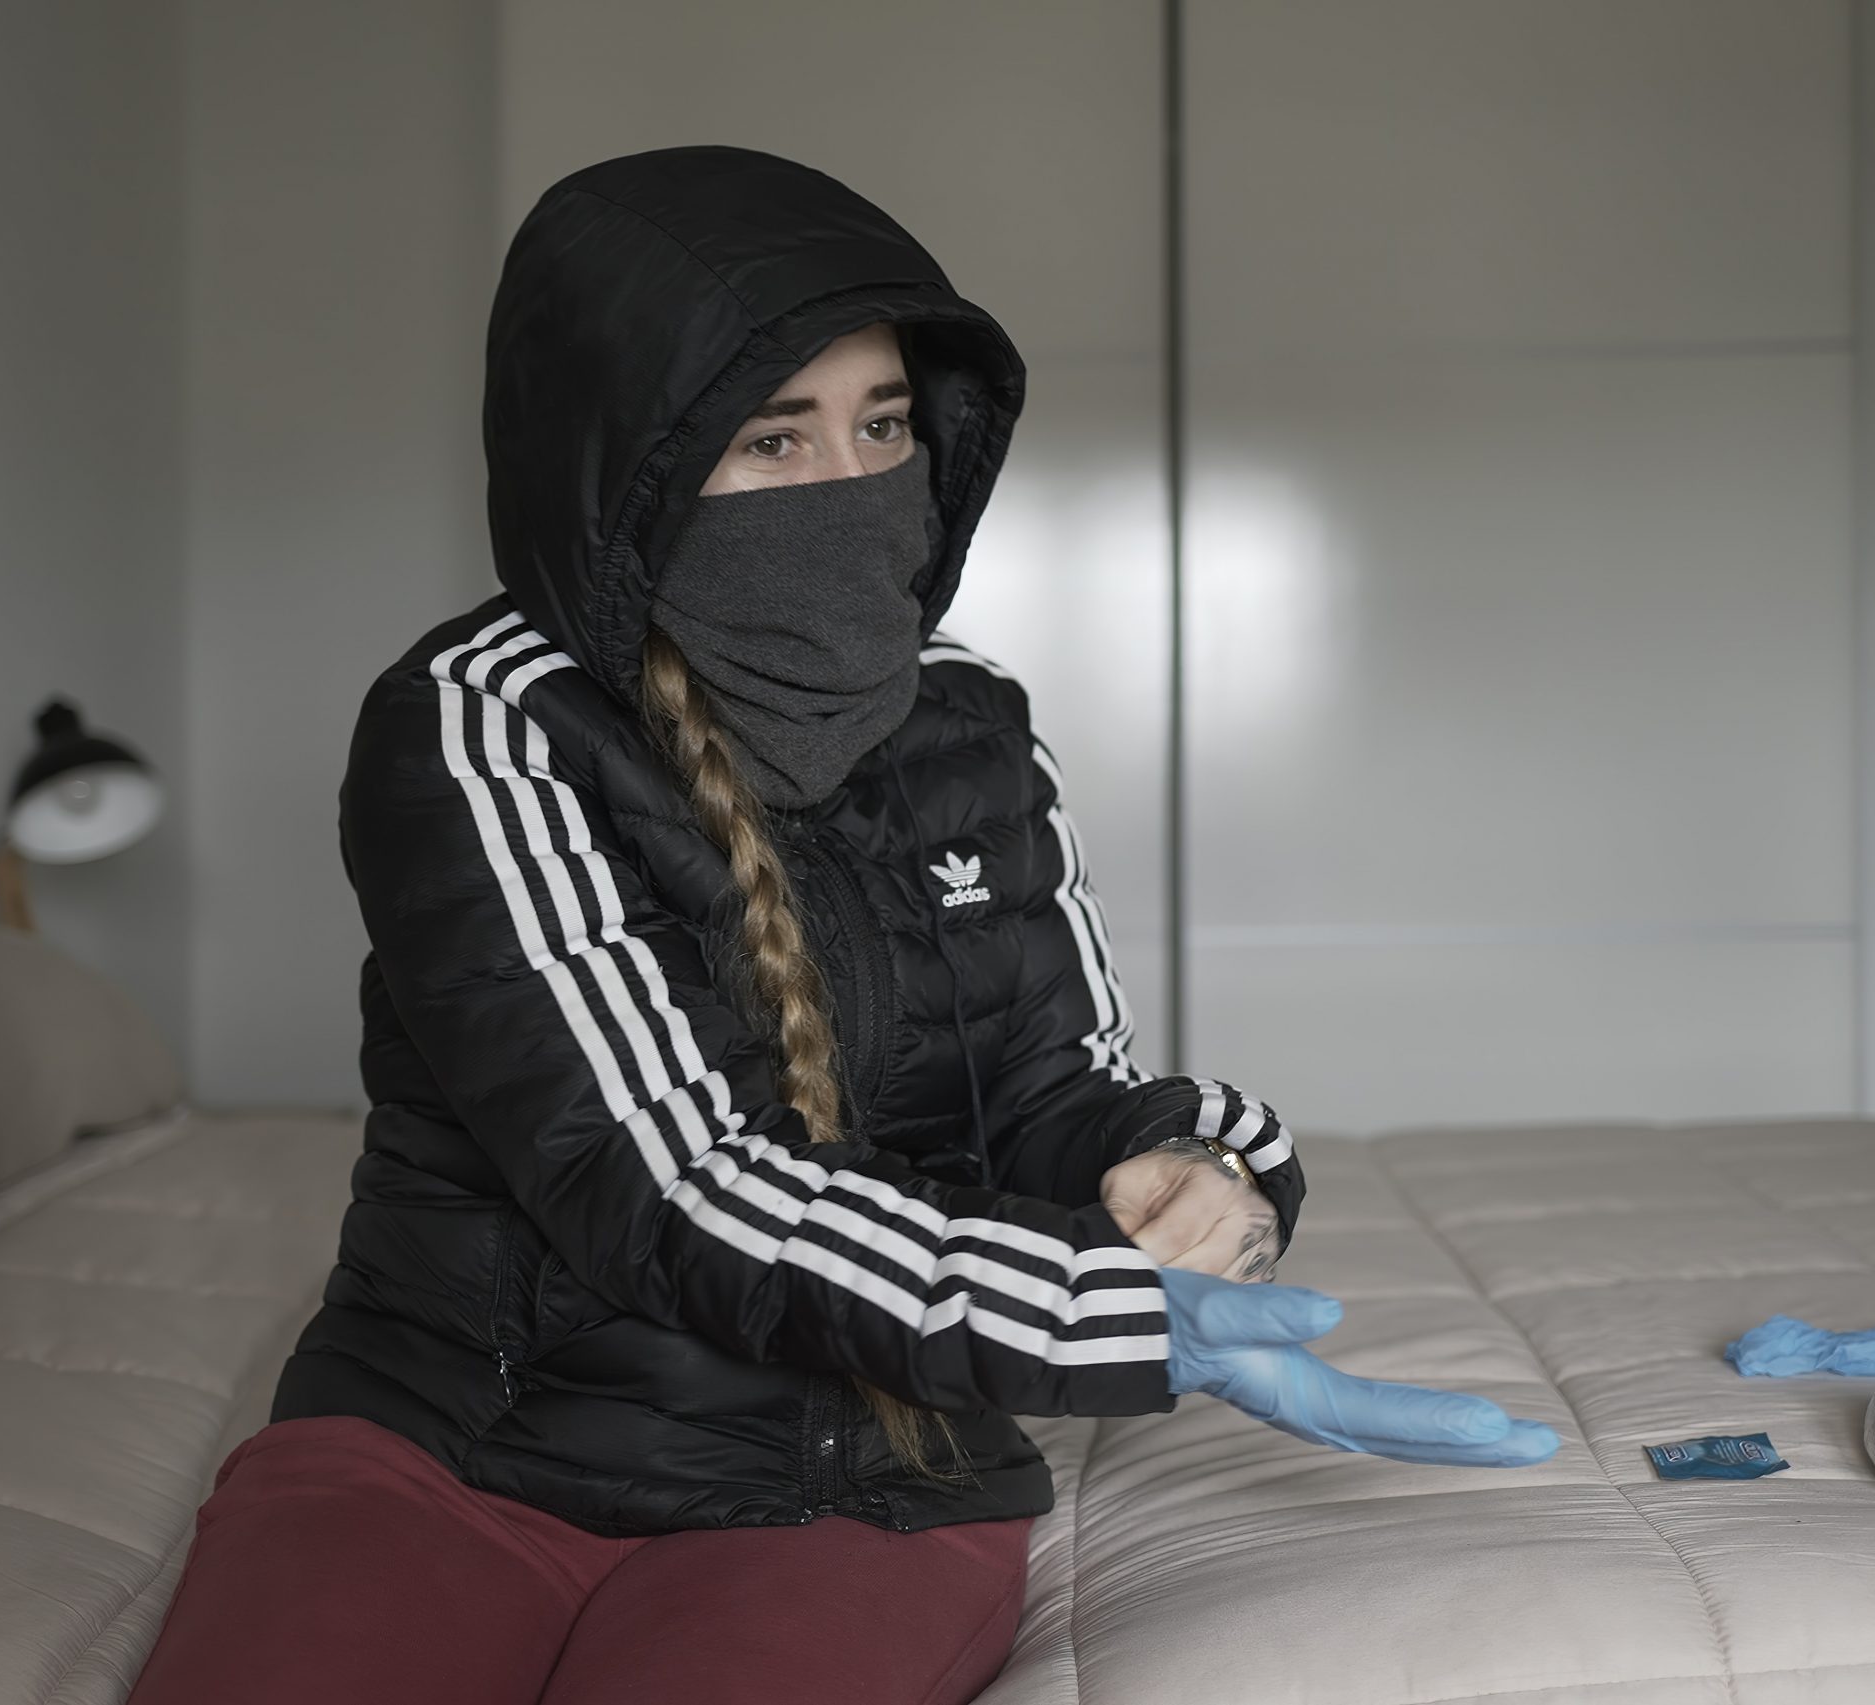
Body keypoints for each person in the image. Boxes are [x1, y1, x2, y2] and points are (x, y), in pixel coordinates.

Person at [125, 145, 1556, 1705]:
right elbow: (669, 1184)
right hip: (457, 1445)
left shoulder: (970, 721)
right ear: (630, 467)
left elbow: (1051, 1088)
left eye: (882, 425)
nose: (850, 483)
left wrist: (1210, 1173)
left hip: (864, 1477)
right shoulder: (482, 723)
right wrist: (1092, 1309)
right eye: (771, 437)